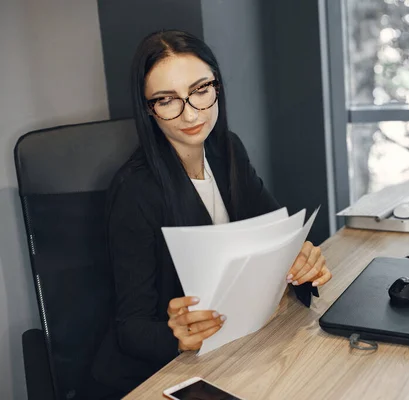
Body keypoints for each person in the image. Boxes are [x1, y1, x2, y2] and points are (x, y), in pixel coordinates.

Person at [90, 30, 332, 398]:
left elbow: (277, 240)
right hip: (158, 377)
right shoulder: (135, 191)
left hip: (237, 349)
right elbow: (131, 328)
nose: (191, 113)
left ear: (217, 86)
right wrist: (175, 334)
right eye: (167, 100)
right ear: (147, 109)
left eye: (201, 90)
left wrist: (302, 262)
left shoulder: (226, 150)